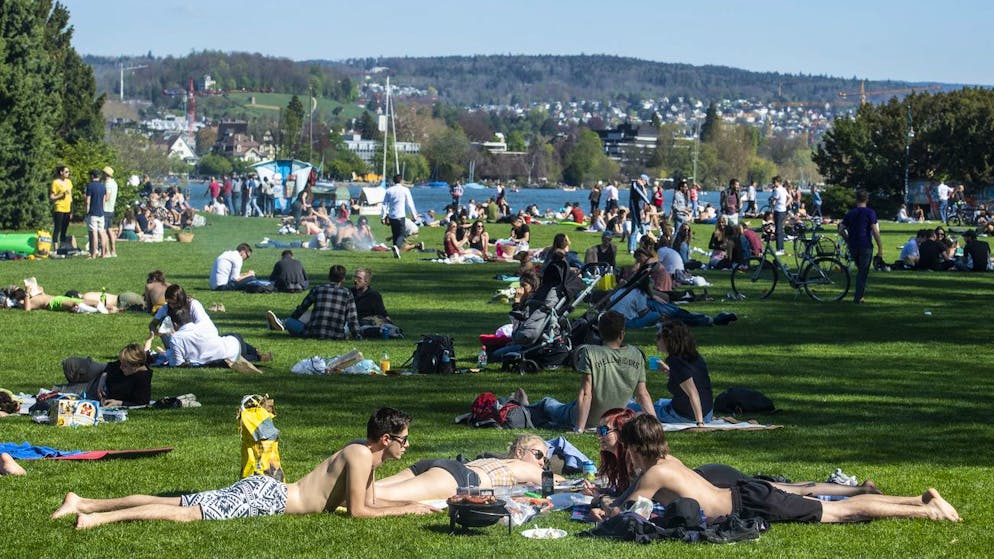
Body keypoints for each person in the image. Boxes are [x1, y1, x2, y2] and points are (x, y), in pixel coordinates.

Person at [51, 408, 436, 529]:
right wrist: (412, 508)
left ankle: (84, 500)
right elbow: (358, 512)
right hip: (267, 498)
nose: (408, 445)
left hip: (265, 492)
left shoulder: (364, 457)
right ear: (386, 439)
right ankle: (95, 518)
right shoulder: (359, 455)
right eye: (405, 439)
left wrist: (413, 508)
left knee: (179, 500)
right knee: (186, 512)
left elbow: (367, 502)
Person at [600, 414, 960, 524]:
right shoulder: (667, 461)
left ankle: (929, 512)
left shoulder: (654, 473)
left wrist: (604, 507)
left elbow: (625, 510)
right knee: (835, 508)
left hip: (751, 503)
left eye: (627, 447)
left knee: (839, 513)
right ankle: (918, 499)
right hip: (747, 497)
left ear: (633, 446)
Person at [523, 310, 657, 432]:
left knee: (547, 403)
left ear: (600, 332)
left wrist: (580, 428)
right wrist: (656, 424)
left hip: (584, 417)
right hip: (614, 419)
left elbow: (586, 393)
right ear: (622, 333)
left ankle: (524, 407)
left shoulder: (590, 352)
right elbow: (642, 394)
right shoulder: (636, 354)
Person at [374, 434, 559, 502]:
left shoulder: (494, 459)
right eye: (539, 455)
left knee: (374, 486)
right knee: (379, 495)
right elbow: (560, 483)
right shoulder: (524, 467)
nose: (542, 463)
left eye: (545, 461)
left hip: (439, 466)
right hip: (458, 477)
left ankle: (346, 479)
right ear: (520, 451)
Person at [266, 264, 359, 340]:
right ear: (343, 279)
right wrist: (357, 336)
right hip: (336, 334)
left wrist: (293, 320)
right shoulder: (347, 293)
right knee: (346, 325)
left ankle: (282, 324)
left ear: (329, 276)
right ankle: (280, 324)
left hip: (313, 332)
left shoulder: (317, 289)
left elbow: (302, 308)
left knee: (289, 321)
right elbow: (352, 318)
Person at [165, 305, 267, 373]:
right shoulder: (202, 325)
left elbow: (177, 364)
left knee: (227, 344)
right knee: (228, 337)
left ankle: (256, 356)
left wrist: (168, 352)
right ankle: (257, 355)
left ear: (174, 324)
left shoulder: (176, 338)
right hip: (235, 344)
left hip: (228, 358)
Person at [651, 321, 713, 425]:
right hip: (707, 411)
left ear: (668, 340)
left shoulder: (675, 361)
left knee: (635, 407)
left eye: (658, 336)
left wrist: (700, 423)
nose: (656, 340)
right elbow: (690, 379)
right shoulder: (694, 356)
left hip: (687, 416)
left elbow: (693, 393)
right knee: (660, 402)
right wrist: (669, 371)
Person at [61, 343, 153, 407]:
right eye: (121, 363)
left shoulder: (143, 380)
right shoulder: (127, 363)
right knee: (70, 364)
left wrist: (118, 403)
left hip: (101, 393)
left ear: (136, 366)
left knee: (61, 394)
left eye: (124, 366)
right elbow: (110, 366)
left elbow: (141, 403)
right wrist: (102, 381)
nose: (121, 367)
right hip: (101, 378)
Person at [839, 190, 884, 304]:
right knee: (863, 272)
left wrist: (847, 240)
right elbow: (875, 230)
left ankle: (861, 295)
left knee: (861, 270)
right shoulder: (870, 213)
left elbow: (840, 229)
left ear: (856, 199)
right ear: (867, 199)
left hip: (853, 245)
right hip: (865, 244)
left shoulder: (850, 213)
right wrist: (880, 248)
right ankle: (858, 298)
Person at [381, 175, 422, 259]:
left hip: (392, 217)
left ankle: (396, 252)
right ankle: (396, 247)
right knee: (402, 234)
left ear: (393, 181)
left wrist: (383, 217)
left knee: (395, 234)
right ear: (401, 181)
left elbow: (384, 204)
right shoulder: (405, 190)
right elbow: (410, 204)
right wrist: (414, 215)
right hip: (400, 216)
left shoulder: (389, 190)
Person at [84, 169, 109, 259]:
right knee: (101, 233)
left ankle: (93, 254)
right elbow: (104, 200)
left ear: (92, 176)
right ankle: (103, 253)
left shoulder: (90, 186)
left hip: (93, 213)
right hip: (101, 213)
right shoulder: (103, 187)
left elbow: (88, 201)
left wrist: (87, 212)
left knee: (94, 233)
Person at [50, 165, 73, 249]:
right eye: (66, 172)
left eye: (68, 171)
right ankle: (55, 248)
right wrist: (61, 195)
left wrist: (72, 210)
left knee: (64, 228)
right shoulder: (55, 182)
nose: (68, 173)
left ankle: (62, 246)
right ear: (61, 172)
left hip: (67, 208)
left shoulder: (69, 182)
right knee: (57, 228)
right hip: (59, 207)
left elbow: (70, 197)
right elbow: (52, 197)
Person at [628, 174, 652, 254]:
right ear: (642, 179)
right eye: (645, 182)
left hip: (639, 210)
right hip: (635, 209)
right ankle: (632, 248)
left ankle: (633, 248)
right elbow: (640, 194)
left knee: (636, 229)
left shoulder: (641, 186)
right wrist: (648, 202)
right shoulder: (635, 184)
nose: (645, 183)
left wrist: (643, 187)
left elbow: (645, 194)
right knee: (635, 229)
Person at [102, 166, 118, 258]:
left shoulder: (107, 184)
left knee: (104, 231)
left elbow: (107, 197)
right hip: (111, 209)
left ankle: (107, 251)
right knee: (110, 230)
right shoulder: (114, 183)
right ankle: (113, 251)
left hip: (105, 209)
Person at [771, 176, 788, 254]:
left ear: (778, 182)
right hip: (783, 211)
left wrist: (772, 208)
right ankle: (781, 248)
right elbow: (790, 198)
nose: (773, 184)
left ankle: (779, 249)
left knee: (778, 230)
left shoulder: (777, 190)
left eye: (774, 182)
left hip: (778, 211)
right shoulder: (783, 189)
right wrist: (785, 205)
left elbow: (774, 201)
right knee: (780, 230)